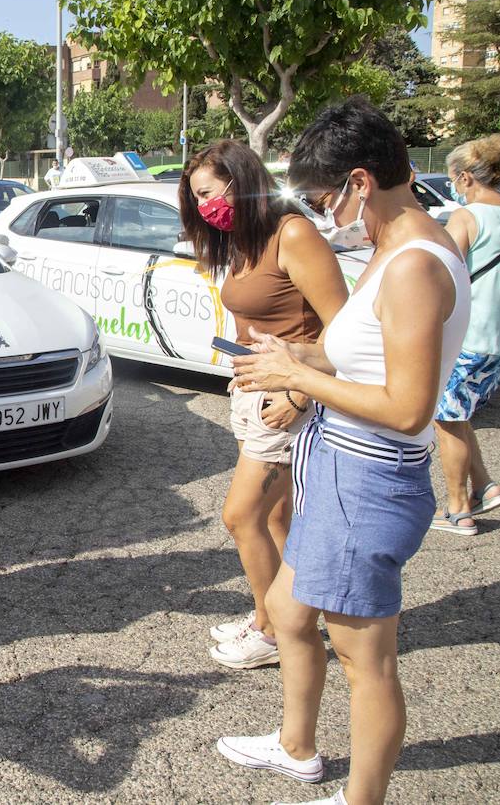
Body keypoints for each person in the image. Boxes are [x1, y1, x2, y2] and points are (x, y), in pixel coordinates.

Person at [221, 98, 470, 805]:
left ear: (361, 182)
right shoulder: (393, 249)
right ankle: (297, 747)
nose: (324, 216)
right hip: (337, 467)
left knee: (368, 660)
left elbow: (408, 407)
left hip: (369, 479)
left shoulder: (414, 265)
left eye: (327, 198)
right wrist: (294, 356)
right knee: (290, 611)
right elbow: (349, 353)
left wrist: (297, 378)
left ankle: (362, 799)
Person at [177, 140, 347, 670]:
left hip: (287, 401)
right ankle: (271, 615)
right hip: (255, 392)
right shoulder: (244, 238)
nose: (205, 207)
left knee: (240, 516)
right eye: (196, 198)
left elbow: (346, 334)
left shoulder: (292, 233)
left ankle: (275, 633)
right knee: (275, 517)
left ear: (239, 181)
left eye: (207, 193)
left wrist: (298, 392)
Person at [430, 135, 500, 536]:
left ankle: (457, 510)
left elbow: (443, 272)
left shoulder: (467, 217)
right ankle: (485, 487)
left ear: (467, 177)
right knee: (460, 412)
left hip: (467, 338)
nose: (455, 187)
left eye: (455, 180)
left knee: (447, 418)